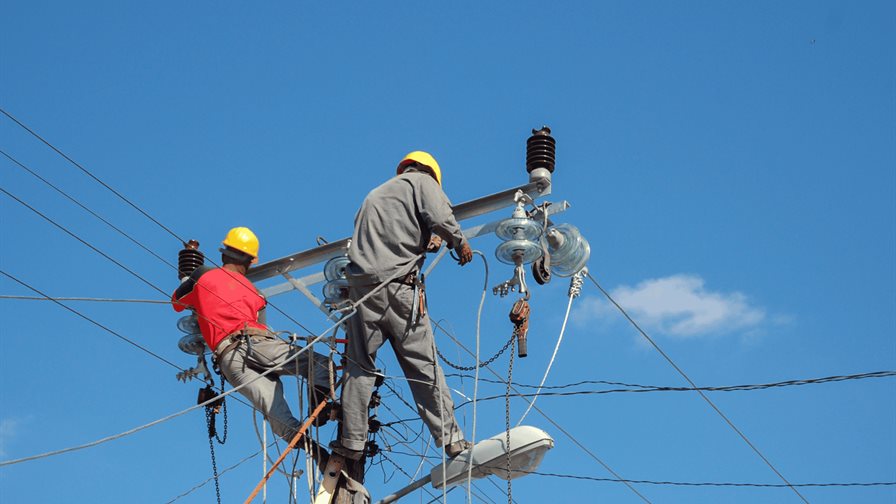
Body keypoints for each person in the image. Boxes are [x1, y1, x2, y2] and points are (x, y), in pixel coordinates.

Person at [331, 151, 474, 461]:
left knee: (358, 367)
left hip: (363, 293)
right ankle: (451, 439)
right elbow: (440, 215)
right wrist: (458, 240)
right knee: (423, 365)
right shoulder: (422, 182)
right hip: (399, 289)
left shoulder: (375, 195)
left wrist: (425, 240)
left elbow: (388, 239)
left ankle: (352, 442)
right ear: (429, 172)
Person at [172, 227, 333, 442]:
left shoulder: (203, 275)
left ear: (223, 254)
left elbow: (177, 302)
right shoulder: (257, 294)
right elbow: (262, 332)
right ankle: (320, 411)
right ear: (250, 261)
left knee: (274, 409)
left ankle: (314, 451)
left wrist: (189, 277)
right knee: (320, 364)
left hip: (229, 360)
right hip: (255, 344)